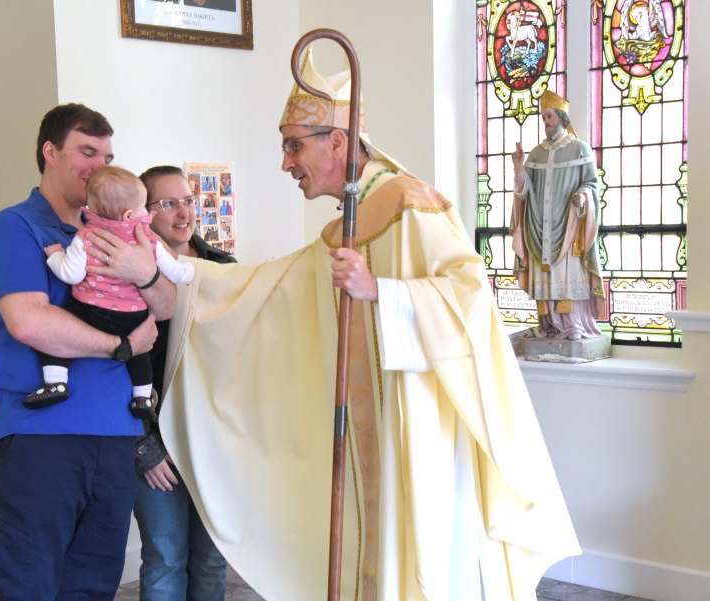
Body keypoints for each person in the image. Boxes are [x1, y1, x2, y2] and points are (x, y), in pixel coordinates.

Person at [157, 49, 580, 601]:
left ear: (337, 141)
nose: (286, 163)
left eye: (293, 145)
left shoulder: (409, 203)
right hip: (369, 434)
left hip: (420, 434)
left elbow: (471, 296)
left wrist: (383, 291)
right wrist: (173, 268)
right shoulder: (344, 228)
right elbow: (270, 287)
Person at [0, 103, 175, 600]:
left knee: (91, 587)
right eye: (87, 151)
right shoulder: (16, 227)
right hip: (41, 435)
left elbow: (166, 305)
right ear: (50, 152)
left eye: (107, 153)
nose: (99, 164)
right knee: (27, 587)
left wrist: (141, 270)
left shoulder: (125, 234)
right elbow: (28, 322)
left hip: (115, 436)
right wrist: (123, 345)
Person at [133, 166, 236, 601]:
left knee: (212, 562)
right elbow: (120, 368)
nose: (183, 213)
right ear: (144, 213)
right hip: (156, 445)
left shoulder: (223, 269)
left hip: (212, 443)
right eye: (168, 203)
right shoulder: (128, 272)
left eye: (188, 201)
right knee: (164, 559)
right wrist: (145, 446)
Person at [23, 166, 194, 417]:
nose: (146, 212)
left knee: (64, 321)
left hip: (92, 311)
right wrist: (190, 272)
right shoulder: (147, 238)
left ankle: (56, 381)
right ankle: (143, 398)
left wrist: (55, 255)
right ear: (128, 214)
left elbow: (71, 274)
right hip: (133, 314)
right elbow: (177, 272)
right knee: (141, 353)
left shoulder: (87, 236)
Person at [511, 91, 605, 340]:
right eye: (543, 117)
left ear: (562, 118)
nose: (546, 122)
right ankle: (548, 327)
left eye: (550, 116)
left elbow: (591, 184)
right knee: (544, 276)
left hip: (568, 227)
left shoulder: (579, 149)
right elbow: (525, 191)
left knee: (568, 274)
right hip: (539, 228)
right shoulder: (537, 153)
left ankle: (573, 326)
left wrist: (583, 197)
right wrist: (520, 168)